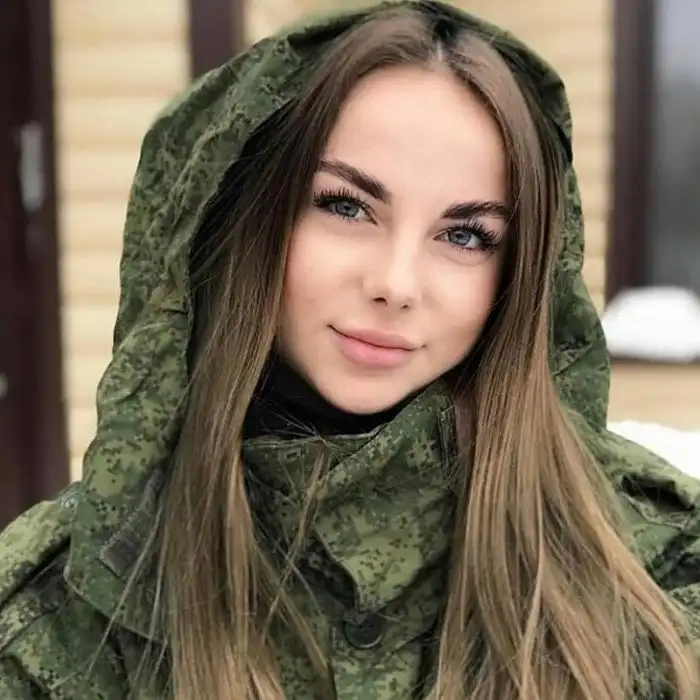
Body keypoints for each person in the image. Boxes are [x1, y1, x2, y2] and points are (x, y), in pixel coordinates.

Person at [0, 1, 698, 698]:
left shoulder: (657, 573)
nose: (395, 284)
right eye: (346, 206)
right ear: (243, 215)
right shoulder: (57, 615)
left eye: (464, 236)